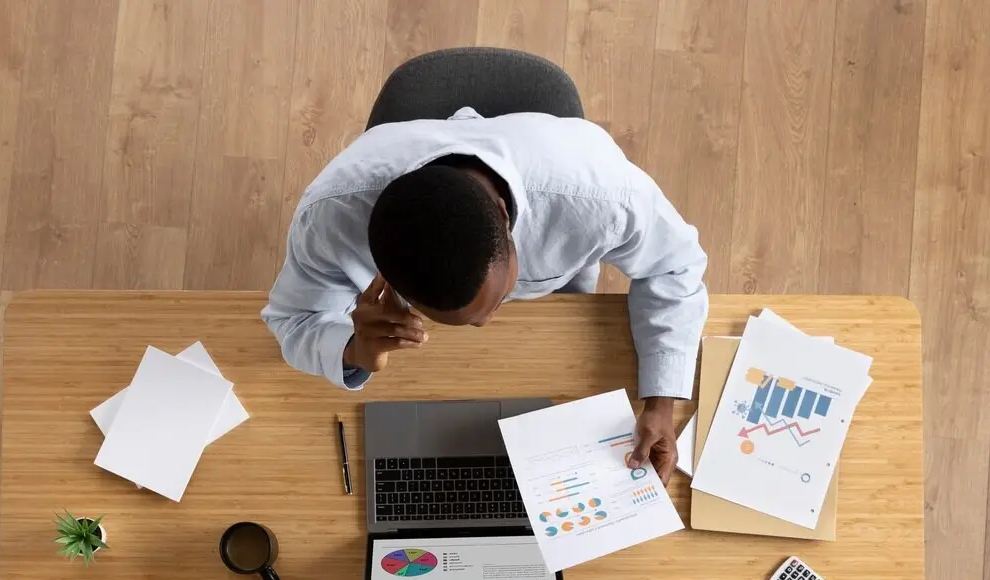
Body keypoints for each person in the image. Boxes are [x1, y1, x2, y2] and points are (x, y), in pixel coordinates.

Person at [261, 107, 709, 483]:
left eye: (493, 302)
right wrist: (354, 349)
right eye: (460, 320)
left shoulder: (602, 196)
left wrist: (660, 401)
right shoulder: (329, 219)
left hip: (563, 273)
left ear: (505, 219)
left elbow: (676, 265)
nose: (485, 326)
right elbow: (290, 320)